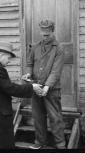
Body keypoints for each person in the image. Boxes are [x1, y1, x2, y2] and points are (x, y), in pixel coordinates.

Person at [22, 20, 66, 149]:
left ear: (52, 31)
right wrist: (28, 74)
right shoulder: (35, 47)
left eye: (47, 34)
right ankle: (40, 142)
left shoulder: (59, 48)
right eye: (43, 34)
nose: (45, 37)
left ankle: (60, 144)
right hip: (36, 87)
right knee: (38, 116)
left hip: (52, 89)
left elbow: (56, 71)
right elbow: (29, 64)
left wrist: (47, 86)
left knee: (55, 117)